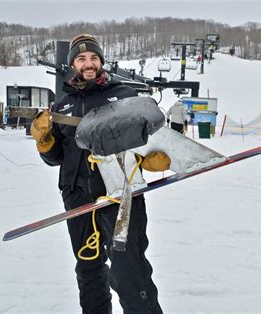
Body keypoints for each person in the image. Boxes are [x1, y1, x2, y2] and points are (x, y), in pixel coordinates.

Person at [30, 34, 162, 313]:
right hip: (77, 196)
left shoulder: (124, 94)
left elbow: (149, 138)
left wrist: (154, 158)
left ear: (101, 62)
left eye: (93, 58)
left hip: (120, 194)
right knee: (88, 267)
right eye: (81, 59)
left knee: (129, 272)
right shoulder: (62, 105)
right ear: (72, 65)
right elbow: (57, 159)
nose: (88, 63)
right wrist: (45, 143)